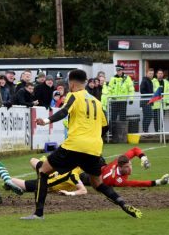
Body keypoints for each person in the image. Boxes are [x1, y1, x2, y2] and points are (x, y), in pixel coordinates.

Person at [21, 69, 142, 220]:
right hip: (94, 148)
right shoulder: (97, 102)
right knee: (97, 183)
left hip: (74, 145)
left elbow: (64, 111)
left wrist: (45, 121)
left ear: (71, 83)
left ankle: (38, 214)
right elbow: (106, 126)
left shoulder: (73, 95)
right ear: (85, 82)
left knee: (43, 171)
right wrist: (93, 138)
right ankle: (123, 203)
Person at [80, 147, 169, 187]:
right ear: (120, 167)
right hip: (92, 178)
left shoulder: (118, 161)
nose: (130, 168)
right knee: (79, 177)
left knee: (98, 156)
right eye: (127, 167)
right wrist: (158, 182)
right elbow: (137, 183)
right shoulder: (119, 181)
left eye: (130, 165)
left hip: (102, 168)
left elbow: (135, 150)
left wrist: (144, 159)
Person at [5, 157, 87, 196]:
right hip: (46, 173)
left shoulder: (73, 175)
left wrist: (68, 193)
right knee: (32, 160)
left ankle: (12, 186)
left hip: (44, 184)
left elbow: (83, 190)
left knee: (10, 180)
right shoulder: (68, 165)